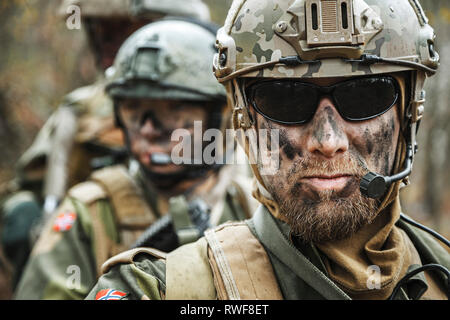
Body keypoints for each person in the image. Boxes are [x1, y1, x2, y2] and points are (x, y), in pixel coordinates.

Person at [86, 0, 449, 300]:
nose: (327, 141)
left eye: (365, 96)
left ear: (408, 112)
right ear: (244, 119)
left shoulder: (441, 273)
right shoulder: (159, 290)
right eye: (286, 99)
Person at [14, 16, 256, 300]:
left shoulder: (250, 201)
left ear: (220, 116)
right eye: (133, 109)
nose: (148, 129)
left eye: (173, 110)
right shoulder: (91, 213)